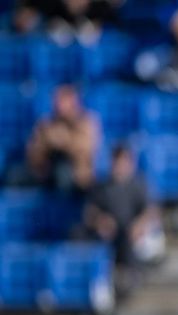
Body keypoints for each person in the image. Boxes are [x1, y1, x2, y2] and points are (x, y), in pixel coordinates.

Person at [83, 144, 162, 294]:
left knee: (131, 236)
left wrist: (139, 224)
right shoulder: (102, 186)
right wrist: (100, 220)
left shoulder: (139, 184)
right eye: (116, 162)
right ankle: (102, 281)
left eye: (123, 162)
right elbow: (90, 212)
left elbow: (151, 210)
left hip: (134, 233)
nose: (119, 167)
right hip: (110, 233)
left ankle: (133, 274)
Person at [25, 84, 100, 193]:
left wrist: (62, 141)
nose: (57, 104)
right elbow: (34, 149)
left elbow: (86, 148)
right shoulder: (46, 123)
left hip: (78, 177)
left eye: (62, 100)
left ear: (73, 102)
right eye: (56, 100)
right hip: (48, 172)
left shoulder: (86, 121)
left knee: (63, 170)